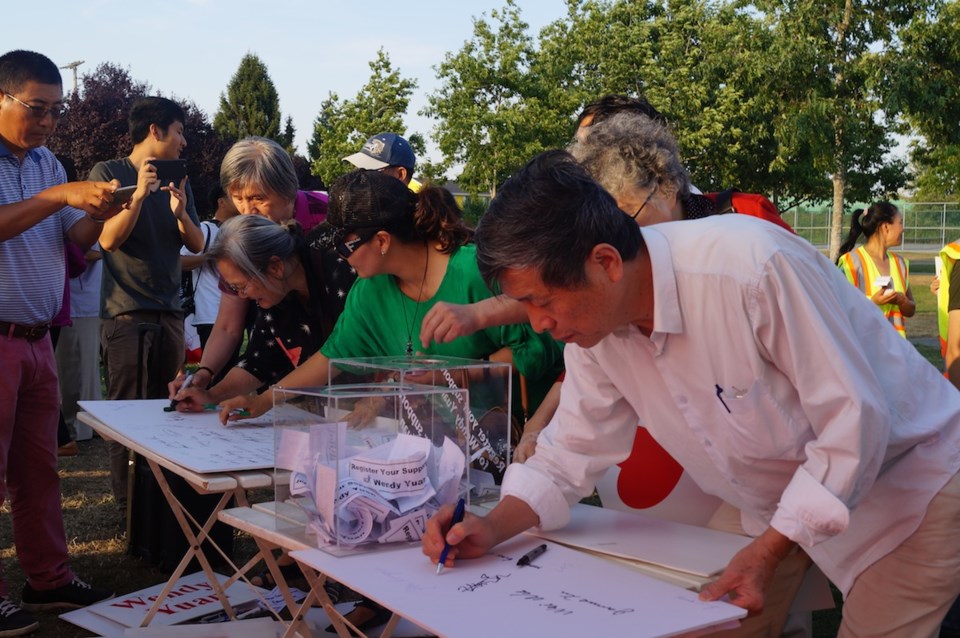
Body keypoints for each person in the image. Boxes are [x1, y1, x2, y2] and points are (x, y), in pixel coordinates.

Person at [422, 151, 960, 637]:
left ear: (605, 262)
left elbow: (855, 425)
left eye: (542, 302)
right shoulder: (595, 329)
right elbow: (569, 454)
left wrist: (770, 550)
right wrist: (489, 527)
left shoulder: (751, 270)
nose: (538, 325)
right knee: (701, 623)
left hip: (913, 484)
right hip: (778, 496)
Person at [0, 48, 118, 635]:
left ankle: (47, 578)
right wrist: (60, 195)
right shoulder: (50, 178)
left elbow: (76, 238)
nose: (47, 121)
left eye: (55, 110)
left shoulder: (48, 163)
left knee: (39, 468)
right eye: (36, 107)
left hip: (38, 338)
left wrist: (101, 209)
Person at [90, 96, 204, 514]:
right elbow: (107, 240)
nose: (184, 141)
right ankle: (129, 507)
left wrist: (181, 212)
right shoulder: (110, 173)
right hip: (127, 312)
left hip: (171, 311)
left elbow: (194, 243)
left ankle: (160, 505)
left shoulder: (180, 180)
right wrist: (136, 197)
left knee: (168, 410)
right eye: (178, 131)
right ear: (155, 131)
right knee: (127, 415)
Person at [168, 136, 331, 397]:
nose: (247, 210)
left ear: (287, 189)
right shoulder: (238, 235)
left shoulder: (329, 216)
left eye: (258, 198)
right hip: (282, 365)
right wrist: (203, 374)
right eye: (238, 199)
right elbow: (228, 324)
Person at [172, 214, 354, 411]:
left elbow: (339, 351)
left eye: (241, 286)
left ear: (275, 267)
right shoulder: (276, 295)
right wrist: (209, 394)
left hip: (377, 406)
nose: (242, 296)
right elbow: (259, 360)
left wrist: (264, 401)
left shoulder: (340, 273)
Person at [180, 184, 239, 380]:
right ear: (221, 202)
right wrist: (211, 257)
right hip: (211, 313)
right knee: (216, 374)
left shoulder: (241, 230)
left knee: (232, 370)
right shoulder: (205, 229)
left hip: (238, 312)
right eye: (234, 196)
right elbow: (180, 261)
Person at [837, 201, 916, 338]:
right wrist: (873, 302)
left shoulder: (900, 263)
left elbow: (911, 310)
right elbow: (838, 309)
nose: (903, 229)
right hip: (863, 350)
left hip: (895, 352)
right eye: (900, 222)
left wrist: (902, 301)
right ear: (885, 227)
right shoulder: (851, 263)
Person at [343, 131, 421, 190]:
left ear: (401, 174)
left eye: (372, 171)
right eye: (361, 170)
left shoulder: (416, 211)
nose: (363, 176)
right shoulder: (359, 207)